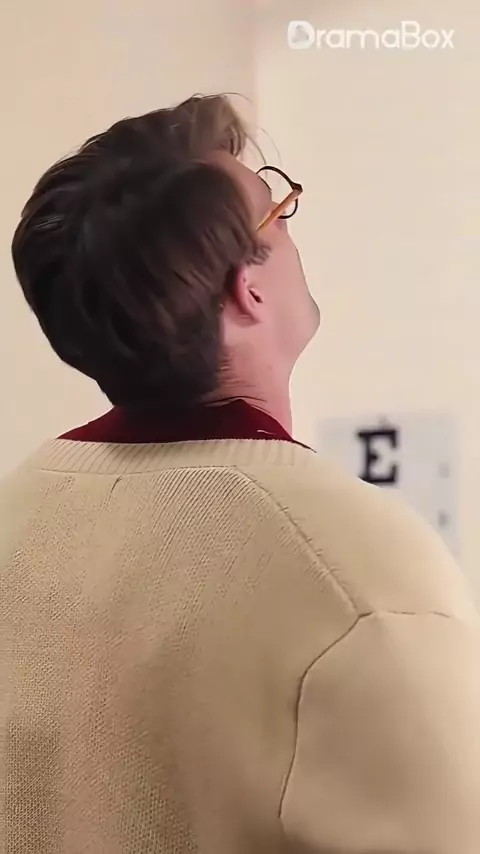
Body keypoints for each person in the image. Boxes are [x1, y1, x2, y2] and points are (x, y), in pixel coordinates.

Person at [1, 93, 479, 854]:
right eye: (277, 211)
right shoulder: (358, 571)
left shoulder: (19, 516)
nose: (293, 226)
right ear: (245, 290)